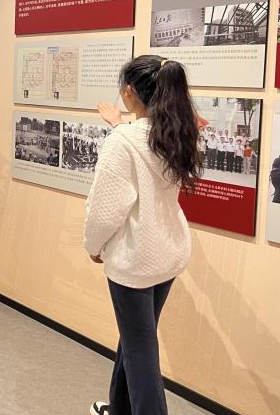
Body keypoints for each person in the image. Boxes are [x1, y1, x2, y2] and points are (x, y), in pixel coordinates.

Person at [85, 55, 202, 415]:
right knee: (136, 337)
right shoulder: (179, 130)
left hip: (135, 261)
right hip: (168, 253)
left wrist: (93, 246)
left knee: (140, 352)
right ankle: (119, 408)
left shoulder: (124, 140)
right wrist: (119, 126)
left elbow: (105, 210)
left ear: (130, 92)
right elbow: (145, 148)